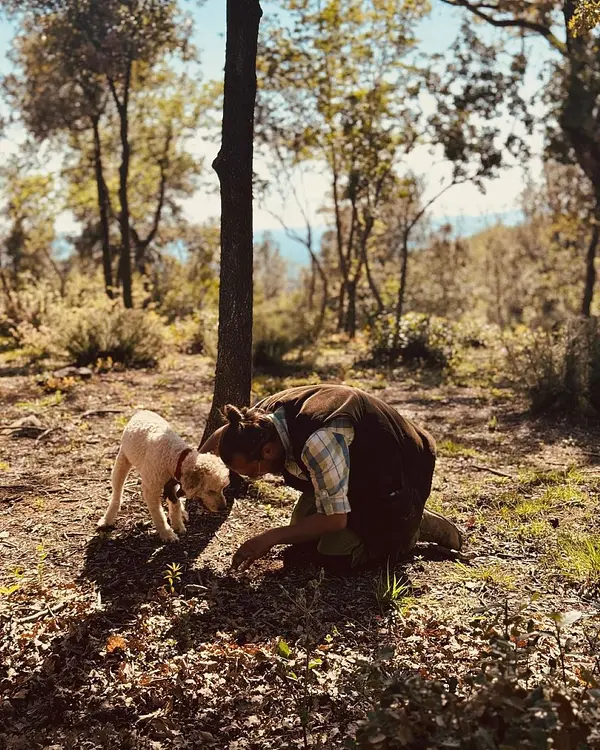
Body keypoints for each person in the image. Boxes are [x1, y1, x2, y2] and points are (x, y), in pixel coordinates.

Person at [200, 384, 463, 572]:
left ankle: (412, 525)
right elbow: (224, 433)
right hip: (356, 471)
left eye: (252, 472)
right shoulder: (256, 423)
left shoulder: (318, 441)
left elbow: (335, 520)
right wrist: (189, 466)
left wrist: (268, 537)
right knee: (304, 538)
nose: (254, 478)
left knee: (334, 554)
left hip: (398, 474)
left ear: (267, 451)